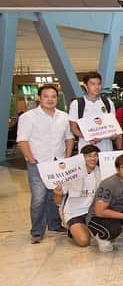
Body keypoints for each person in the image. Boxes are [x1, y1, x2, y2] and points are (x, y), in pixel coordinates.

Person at [17, 85, 74, 243]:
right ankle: (37, 231)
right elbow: (22, 140)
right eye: (46, 96)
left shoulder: (63, 116)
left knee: (55, 195)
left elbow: (69, 138)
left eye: (53, 96)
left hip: (58, 162)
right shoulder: (28, 117)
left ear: (57, 98)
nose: (50, 99)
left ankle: (55, 225)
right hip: (38, 162)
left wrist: (67, 157)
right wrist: (30, 159)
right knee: (39, 198)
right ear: (40, 98)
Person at [55, 145, 101, 247]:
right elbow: (58, 202)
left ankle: (86, 228)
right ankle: (74, 229)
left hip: (93, 212)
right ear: (82, 158)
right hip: (75, 213)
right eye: (89, 156)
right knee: (84, 242)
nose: (93, 158)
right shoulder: (72, 173)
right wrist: (57, 194)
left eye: (95, 155)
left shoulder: (100, 171)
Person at [69, 72, 117, 152]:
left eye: (99, 84)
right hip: (86, 148)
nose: (96, 87)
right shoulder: (77, 104)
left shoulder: (108, 103)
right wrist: (88, 137)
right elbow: (73, 128)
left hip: (106, 149)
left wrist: (113, 135)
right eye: (93, 84)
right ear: (85, 85)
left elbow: (113, 127)